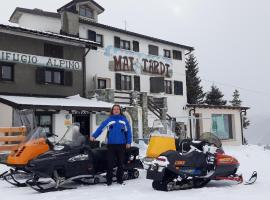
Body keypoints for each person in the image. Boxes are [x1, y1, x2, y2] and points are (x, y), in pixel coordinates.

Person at [90, 105, 132, 185]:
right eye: (114, 109)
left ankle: (120, 180)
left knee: (120, 163)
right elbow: (101, 128)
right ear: (112, 111)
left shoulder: (124, 120)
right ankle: (109, 181)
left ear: (120, 111)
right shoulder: (109, 120)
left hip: (122, 145)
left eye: (117, 109)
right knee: (109, 163)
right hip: (111, 145)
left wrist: (128, 142)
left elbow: (128, 132)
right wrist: (94, 136)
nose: (116, 110)